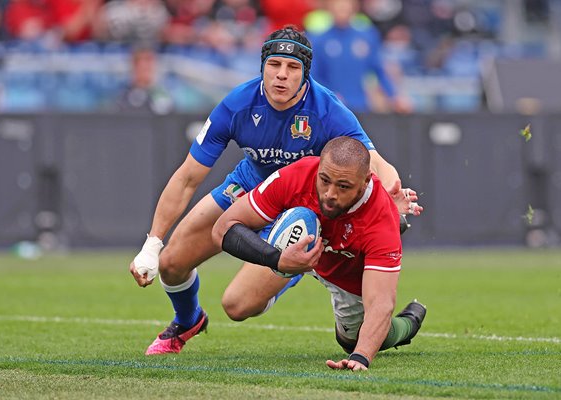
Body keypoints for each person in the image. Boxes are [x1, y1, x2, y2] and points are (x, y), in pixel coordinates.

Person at [129, 25, 422, 356]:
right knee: (170, 263)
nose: (281, 75)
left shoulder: (327, 109)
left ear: (305, 74)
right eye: (274, 65)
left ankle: (299, 261)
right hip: (249, 188)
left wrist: (393, 192)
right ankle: (187, 321)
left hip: (301, 206)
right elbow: (186, 178)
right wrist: (152, 244)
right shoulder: (238, 104)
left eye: (293, 67)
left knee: (238, 307)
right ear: (263, 66)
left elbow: (374, 161)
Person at [212, 137, 426, 370]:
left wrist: (361, 356)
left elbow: (381, 303)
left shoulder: (381, 219)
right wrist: (279, 259)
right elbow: (223, 228)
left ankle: (408, 323)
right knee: (236, 305)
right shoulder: (297, 174)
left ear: (365, 182)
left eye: (343, 186)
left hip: (345, 272)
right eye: (324, 180)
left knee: (350, 342)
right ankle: (296, 266)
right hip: (296, 250)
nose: (329, 194)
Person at [307, 0, 412, 113]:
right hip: (331, 108)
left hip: (361, 105)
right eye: (338, 7)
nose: (342, 11)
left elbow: (378, 69)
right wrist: (329, 96)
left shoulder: (367, 37)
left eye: (346, 7)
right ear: (330, 9)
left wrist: (394, 96)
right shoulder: (319, 40)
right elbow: (314, 76)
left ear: (354, 8)